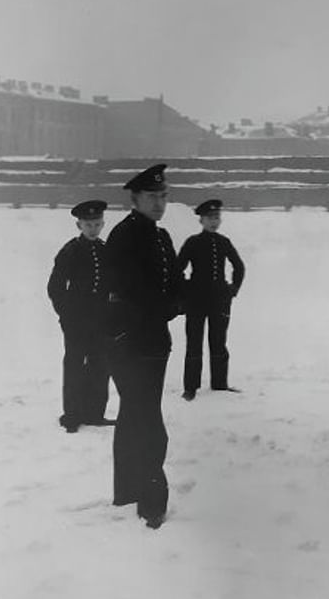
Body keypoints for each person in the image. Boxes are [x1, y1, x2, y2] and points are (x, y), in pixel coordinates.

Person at [103, 163, 182, 529]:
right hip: (130, 342)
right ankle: (152, 504)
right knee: (148, 421)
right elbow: (134, 291)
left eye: (163, 196)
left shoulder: (160, 236)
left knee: (136, 416)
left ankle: (127, 491)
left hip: (153, 342)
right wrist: (169, 306)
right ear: (135, 199)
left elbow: (174, 281)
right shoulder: (125, 236)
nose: (159, 202)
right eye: (152, 197)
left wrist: (185, 299)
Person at [46, 199, 113, 433]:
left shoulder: (106, 251)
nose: (93, 229)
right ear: (79, 225)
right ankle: (72, 416)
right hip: (76, 322)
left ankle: (95, 413)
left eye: (97, 224)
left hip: (101, 321)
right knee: (75, 365)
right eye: (88, 225)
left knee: (100, 365)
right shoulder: (70, 251)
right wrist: (66, 316)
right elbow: (55, 287)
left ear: (102, 224)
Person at [177, 199, 246, 401]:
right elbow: (177, 269)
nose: (214, 222)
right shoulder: (193, 242)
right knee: (194, 343)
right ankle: (190, 387)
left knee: (219, 341)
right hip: (196, 300)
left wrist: (232, 290)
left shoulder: (224, 242)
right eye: (209, 218)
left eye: (217, 217)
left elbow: (239, 267)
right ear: (201, 220)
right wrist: (186, 291)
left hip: (219, 300)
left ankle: (220, 383)